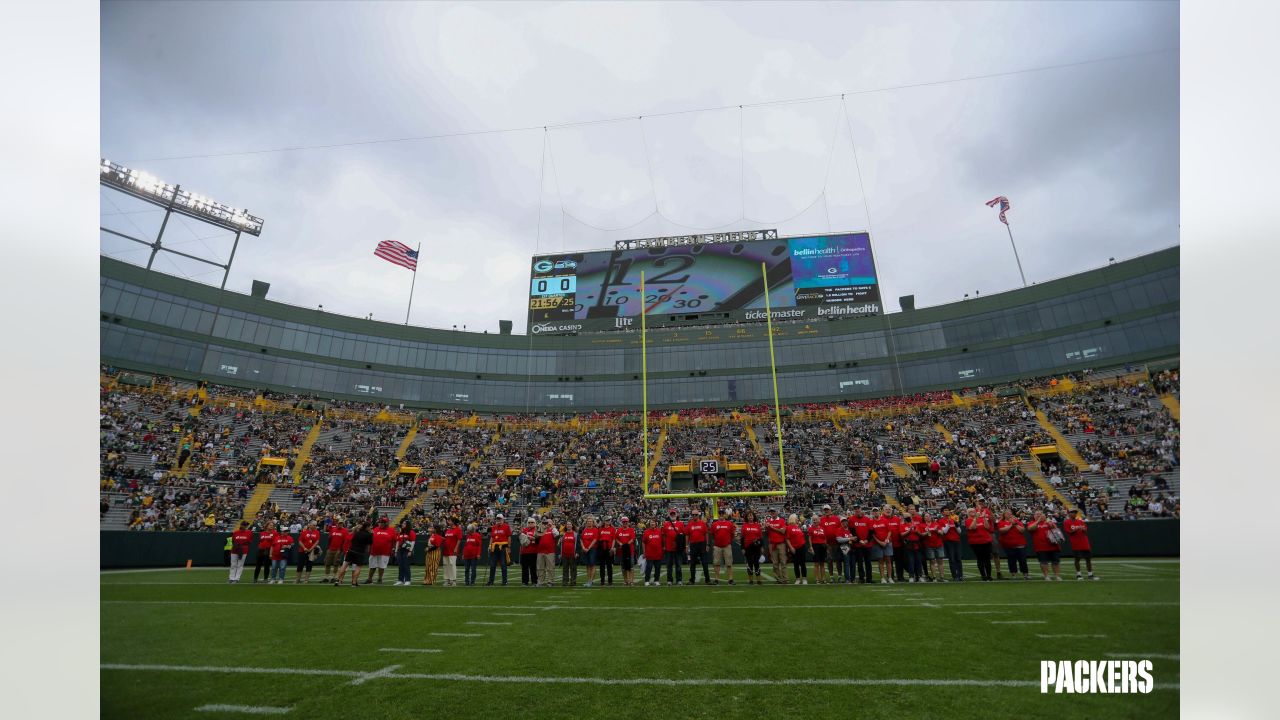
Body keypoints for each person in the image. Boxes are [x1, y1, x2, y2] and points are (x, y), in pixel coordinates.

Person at [333, 520, 373, 587]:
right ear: (367, 527)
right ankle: (354, 583)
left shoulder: (357, 533)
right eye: (370, 527)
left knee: (345, 565)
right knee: (358, 567)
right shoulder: (368, 535)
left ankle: (337, 580)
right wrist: (367, 552)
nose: (370, 528)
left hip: (351, 550)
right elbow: (369, 545)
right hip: (360, 552)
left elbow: (352, 541)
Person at [1028, 510, 1064, 581]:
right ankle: (1046, 576)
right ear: (1034, 516)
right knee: (1043, 562)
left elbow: (1056, 530)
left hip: (1053, 545)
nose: (1039, 515)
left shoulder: (1049, 522)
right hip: (1041, 547)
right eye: (1037, 514)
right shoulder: (1032, 523)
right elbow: (1030, 529)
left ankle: (1057, 576)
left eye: (1040, 514)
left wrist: (1050, 523)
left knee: (1055, 562)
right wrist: (1038, 521)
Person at [1064, 508, 1099, 580]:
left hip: (1085, 543)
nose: (1074, 514)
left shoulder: (1080, 521)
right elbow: (1069, 532)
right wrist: (1076, 529)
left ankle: (1090, 574)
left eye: (1075, 512)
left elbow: (1086, 531)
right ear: (1069, 514)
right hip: (1076, 543)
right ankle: (1079, 575)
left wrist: (1083, 529)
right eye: (1072, 512)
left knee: (1088, 559)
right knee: (1077, 559)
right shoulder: (1067, 522)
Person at [997, 510, 1030, 580]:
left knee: (1022, 560)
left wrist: (1015, 524)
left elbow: (1022, 530)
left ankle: (1025, 574)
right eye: (1008, 513)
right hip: (1008, 545)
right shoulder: (1001, 522)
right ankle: (1013, 574)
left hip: (1020, 544)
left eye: (1010, 514)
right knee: (1011, 560)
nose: (1009, 515)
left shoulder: (1017, 521)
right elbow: (1002, 530)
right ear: (1004, 515)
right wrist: (1011, 525)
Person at [965, 507, 994, 581]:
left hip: (986, 541)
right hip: (976, 542)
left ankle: (989, 575)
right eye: (971, 511)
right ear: (968, 513)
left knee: (987, 559)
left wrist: (984, 517)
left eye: (974, 511)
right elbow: (972, 527)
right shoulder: (968, 520)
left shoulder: (981, 519)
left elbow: (987, 527)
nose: (973, 512)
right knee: (980, 559)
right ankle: (983, 575)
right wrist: (975, 519)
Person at [366, 516, 396, 585]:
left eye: (383, 522)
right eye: (380, 522)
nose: (381, 523)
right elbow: (371, 539)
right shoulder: (376, 529)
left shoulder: (391, 530)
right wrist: (369, 547)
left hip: (385, 552)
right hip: (374, 551)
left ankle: (380, 579)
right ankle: (369, 579)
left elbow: (394, 541)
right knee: (372, 566)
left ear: (386, 523)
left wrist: (393, 549)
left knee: (381, 566)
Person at [710, 511, 736, 585]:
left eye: (722, 514)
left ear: (725, 515)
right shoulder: (714, 524)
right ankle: (716, 579)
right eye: (720, 513)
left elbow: (732, 534)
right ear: (718, 515)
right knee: (716, 563)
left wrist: (728, 542)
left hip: (727, 546)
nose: (721, 515)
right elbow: (712, 535)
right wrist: (715, 543)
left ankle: (730, 579)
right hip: (717, 546)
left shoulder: (729, 523)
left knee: (729, 563)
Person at [685, 509, 711, 585]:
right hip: (693, 545)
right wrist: (686, 546)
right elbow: (687, 535)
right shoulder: (689, 524)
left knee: (705, 563)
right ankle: (692, 580)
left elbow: (706, 534)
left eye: (696, 515)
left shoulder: (702, 523)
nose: (694, 516)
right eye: (693, 515)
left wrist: (707, 544)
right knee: (692, 564)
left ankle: (707, 580)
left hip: (702, 544)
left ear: (698, 515)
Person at [485, 513, 512, 586]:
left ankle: (504, 581)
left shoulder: (506, 527)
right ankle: (491, 581)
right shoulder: (493, 527)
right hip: (494, 547)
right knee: (492, 565)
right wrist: (490, 545)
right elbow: (492, 537)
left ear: (503, 519)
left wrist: (509, 547)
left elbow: (509, 537)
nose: (498, 520)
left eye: (500, 519)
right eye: (497, 519)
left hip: (503, 547)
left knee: (503, 565)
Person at [818, 505, 843, 582]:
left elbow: (840, 529)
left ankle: (839, 576)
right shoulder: (821, 520)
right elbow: (820, 531)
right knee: (829, 560)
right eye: (825, 510)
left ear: (830, 510)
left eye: (827, 509)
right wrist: (824, 541)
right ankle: (831, 576)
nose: (826, 511)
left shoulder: (836, 518)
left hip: (836, 543)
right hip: (828, 544)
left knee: (838, 560)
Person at [871, 505, 894, 584]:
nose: (875, 512)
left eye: (876, 511)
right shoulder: (871, 522)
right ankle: (882, 578)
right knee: (880, 561)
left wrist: (886, 540)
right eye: (874, 511)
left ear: (879, 512)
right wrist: (879, 542)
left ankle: (890, 577)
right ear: (872, 513)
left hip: (887, 542)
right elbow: (872, 534)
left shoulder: (884, 520)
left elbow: (889, 531)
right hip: (877, 543)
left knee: (888, 560)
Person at [740, 510, 764, 585]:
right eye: (749, 516)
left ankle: (758, 580)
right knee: (749, 562)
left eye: (751, 515)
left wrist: (762, 547)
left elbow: (760, 537)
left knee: (757, 563)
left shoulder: (757, 525)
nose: (750, 517)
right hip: (747, 547)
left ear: (754, 517)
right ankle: (750, 580)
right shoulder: (744, 525)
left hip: (756, 547)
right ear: (747, 517)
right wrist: (742, 548)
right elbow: (742, 538)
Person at [921, 511, 947, 582]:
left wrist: (937, 531)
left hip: (939, 544)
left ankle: (942, 577)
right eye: (926, 516)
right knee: (932, 561)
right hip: (929, 545)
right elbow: (921, 535)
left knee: (940, 561)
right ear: (923, 518)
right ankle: (934, 577)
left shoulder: (936, 524)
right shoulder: (922, 525)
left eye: (929, 516)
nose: (928, 517)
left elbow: (942, 533)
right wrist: (927, 532)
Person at [850, 507, 873, 584]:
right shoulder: (852, 519)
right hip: (858, 545)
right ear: (854, 511)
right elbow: (852, 531)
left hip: (867, 544)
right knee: (860, 562)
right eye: (856, 509)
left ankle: (869, 578)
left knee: (868, 562)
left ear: (861, 510)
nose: (857, 510)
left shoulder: (867, 519)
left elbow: (870, 531)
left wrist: (866, 540)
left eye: (858, 509)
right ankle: (861, 578)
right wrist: (860, 540)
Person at [322, 517, 349, 583]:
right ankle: (326, 577)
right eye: (339, 523)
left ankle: (334, 577)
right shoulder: (333, 530)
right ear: (337, 523)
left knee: (336, 563)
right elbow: (329, 539)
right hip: (331, 548)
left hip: (338, 549)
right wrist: (328, 548)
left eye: (341, 523)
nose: (340, 524)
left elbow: (345, 541)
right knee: (327, 563)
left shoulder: (345, 531)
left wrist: (341, 550)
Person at [765, 509, 789, 584]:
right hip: (772, 544)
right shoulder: (768, 521)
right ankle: (778, 578)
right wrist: (766, 527)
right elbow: (766, 533)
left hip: (781, 543)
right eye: (771, 512)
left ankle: (785, 578)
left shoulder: (781, 520)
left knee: (783, 562)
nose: (772, 513)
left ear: (777, 512)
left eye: (774, 511)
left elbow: (783, 531)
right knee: (775, 563)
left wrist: (771, 528)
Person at [662, 511, 685, 586]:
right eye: (671, 514)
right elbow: (664, 536)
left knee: (678, 565)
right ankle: (669, 580)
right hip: (669, 548)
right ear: (669, 515)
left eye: (673, 514)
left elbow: (683, 535)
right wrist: (664, 545)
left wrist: (683, 546)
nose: (672, 515)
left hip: (677, 548)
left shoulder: (680, 523)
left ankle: (679, 580)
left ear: (676, 515)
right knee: (669, 565)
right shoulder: (665, 524)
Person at [941, 508, 964, 581]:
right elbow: (944, 532)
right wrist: (948, 524)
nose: (947, 511)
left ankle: (960, 575)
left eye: (948, 510)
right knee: (952, 559)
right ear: (942, 512)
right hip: (948, 541)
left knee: (958, 559)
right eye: (945, 510)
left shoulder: (953, 520)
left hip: (956, 540)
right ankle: (955, 576)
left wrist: (956, 525)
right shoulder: (941, 521)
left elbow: (959, 531)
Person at [901, 510, 924, 583]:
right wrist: (909, 530)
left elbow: (920, 534)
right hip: (908, 544)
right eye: (906, 517)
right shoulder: (902, 525)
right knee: (910, 561)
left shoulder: (915, 524)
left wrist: (916, 531)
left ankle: (919, 576)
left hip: (916, 544)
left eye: (908, 517)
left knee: (918, 561)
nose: (908, 518)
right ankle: (911, 576)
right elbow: (901, 534)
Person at [786, 514, 808, 585]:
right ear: (792, 519)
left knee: (803, 564)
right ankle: (798, 579)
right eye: (796, 518)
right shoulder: (789, 527)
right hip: (794, 548)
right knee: (796, 564)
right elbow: (787, 539)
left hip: (802, 547)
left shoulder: (798, 527)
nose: (797, 519)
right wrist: (791, 547)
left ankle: (804, 578)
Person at [536, 517, 558, 587]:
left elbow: (557, 534)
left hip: (550, 551)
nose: (547, 524)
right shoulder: (541, 529)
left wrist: (552, 527)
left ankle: (550, 581)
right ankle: (540, 581)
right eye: (545, 522)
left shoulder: (553, 530)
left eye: (548, 522)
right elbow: (536, 535)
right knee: (540, 567)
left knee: (550, 568)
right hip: (540, 551)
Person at [642, 521, 665, 586]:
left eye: (654, 523)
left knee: (658, 568)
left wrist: (663, 548)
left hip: (658, 553)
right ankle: (646, 581)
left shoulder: (659, 531)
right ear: (649, 524)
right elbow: (643, 542)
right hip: (649, 554)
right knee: (648, 568)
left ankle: (656, 580)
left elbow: (663, 542)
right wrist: (644, 552)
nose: (652, 524)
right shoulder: (646, 532)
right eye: (651, 523)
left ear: (656, 524)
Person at [615, 516, 637, 587]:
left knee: (631, 566)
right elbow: (616, 539)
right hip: (621, 551)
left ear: (628, 522)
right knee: (623, 567)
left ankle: (631, 581)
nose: (625, 523)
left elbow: (633, 538)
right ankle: (625, 580)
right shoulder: (619, 530)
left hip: (630, 551)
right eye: (623, 522)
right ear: (622, 522)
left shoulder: (631, 530)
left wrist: (626, 544)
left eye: (626, 522)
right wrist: (620, 543)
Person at [442, 517, 463, 587]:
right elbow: (445, 539)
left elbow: (459, 539)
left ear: (453, 522)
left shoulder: (458, 529)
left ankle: (453, 580)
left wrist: (456, 548)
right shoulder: (448, 530)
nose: (448, 522)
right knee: (445, 565)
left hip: (452, 550)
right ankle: (447, 580)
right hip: (445, 550)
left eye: (449, 521)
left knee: (452, 565)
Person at [394, 520, 417, 586]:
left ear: (408, 524)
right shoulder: (400, 532)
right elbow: (397, 542)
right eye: (403, 523)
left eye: (404, 523)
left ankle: (407, 580)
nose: (403, 524)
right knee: (400, 565)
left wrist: (410, 551)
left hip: (407, 550)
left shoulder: (411, 532)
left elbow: (413, 542)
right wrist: (396, 551)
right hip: (400, 550)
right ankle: (400, 580)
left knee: (406, 565)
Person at [518, 517, 539, 586]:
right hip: (524, 551)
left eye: (532, 522)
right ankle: (524, 581)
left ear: (535, 523)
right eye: (529, 522)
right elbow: (519, 539)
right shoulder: (524, 529)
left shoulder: (537, 530)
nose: (530, 523)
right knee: (524, 568)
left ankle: (534, 581)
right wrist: (520, 535)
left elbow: (539, 540)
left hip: (533, 551)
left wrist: (533, 539)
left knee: (533, 568)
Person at [807, 513, 827, 585]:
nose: (815, 521)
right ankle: (817, 579)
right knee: (816, 563)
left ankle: (823, 578)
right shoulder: (810, 528)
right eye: (813, 520)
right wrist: (811, 547)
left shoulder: (822, 528)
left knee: (822, 563)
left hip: (823, 546)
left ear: (819, 520)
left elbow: (825, 538)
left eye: (816, 520)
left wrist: (826, 545)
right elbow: (809, 538)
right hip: (815, 546)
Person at [580, 515, 599, 588]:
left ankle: (591, 581)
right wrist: (583, 547)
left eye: (591, 521)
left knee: (592, 565)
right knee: (587, 566)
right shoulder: (585, 530)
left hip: (592, 549)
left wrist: (588, 547)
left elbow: (595, 540)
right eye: (588, 521)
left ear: (593, 522)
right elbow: (581, 539)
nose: (589, 523)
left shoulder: (595, 530)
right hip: (585, 549)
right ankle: (588, 581)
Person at [597, 516, 616, 586]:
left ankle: (610, 581)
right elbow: (598, 538)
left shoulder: (612, 529)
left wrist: (612, 547)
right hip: (602, 547)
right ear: (604, 521)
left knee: (609, 565)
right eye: (606, 520)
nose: (608, 521)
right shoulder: (600, 528)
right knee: (602, 565)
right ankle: (602, 581)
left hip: (609, 548)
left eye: (609, 520)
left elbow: (614, 539)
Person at [559, 520, 578, 586]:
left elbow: (577, 545)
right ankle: (565, 581)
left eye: (570, 524)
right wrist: (560, 554)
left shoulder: (575, 534)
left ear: (572, 526)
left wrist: (577, 553)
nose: (569, 525)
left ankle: (573, 582)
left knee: (573, 569)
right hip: (564, 554)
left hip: (572, 554)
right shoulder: (563, 534)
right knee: (565, 569)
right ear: (566, 526)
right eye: (567, 524)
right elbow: (560, 544)